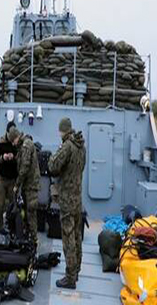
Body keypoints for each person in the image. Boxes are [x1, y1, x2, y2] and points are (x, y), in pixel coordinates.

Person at [48, 118, 86, 290]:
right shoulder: (81, 146)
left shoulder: (67, 146)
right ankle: (76, 270)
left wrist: (52, 157)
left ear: (63, 131)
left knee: (68, 238)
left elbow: (53, 167)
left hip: (67, 200)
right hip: (77, 199)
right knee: (77, 237)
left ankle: (70, 277)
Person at [7, 126, 40, 244]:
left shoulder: (26, 145)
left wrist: (17, 184)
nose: (13, 144)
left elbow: (24, 167)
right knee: (26, 212)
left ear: (16, 137)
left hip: (31, 186)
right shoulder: (23, 146)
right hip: (27, 186)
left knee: (31, 213)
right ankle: (29, 238)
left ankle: (34, 240)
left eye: (13, 141)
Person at [0, 122, 18, 232]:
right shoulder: (0, 143)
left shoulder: (16, 142)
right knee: (0, 205)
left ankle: (13, 228)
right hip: (2, 179)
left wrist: (14, 157)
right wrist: (3, 158)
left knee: (13, 206)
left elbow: (20, 156)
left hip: (12, 180)